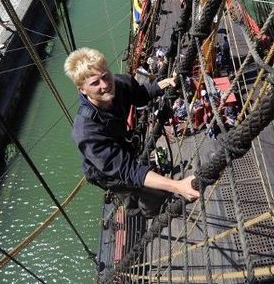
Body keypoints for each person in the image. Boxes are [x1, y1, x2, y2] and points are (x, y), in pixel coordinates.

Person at [64, 48, 199, 217]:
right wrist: (178, 186)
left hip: (121, 147)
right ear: (82, 90)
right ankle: (145, 212)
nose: (105, 85)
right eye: (94, 83)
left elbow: (140, 95)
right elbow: (126, 169)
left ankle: (132, 202)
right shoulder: (86, 131)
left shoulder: (120, 84)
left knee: (138, 185)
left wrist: (160, 85)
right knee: (153, 193)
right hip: (105, 170)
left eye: (105, 75)